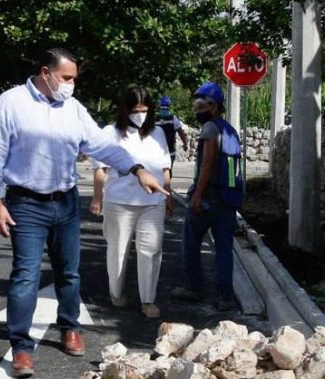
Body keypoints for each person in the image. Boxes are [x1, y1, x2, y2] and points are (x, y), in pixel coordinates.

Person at [0, 48, 168, 379]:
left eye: (74, 79)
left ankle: (70, 327)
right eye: (67, 78)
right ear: (46, 73)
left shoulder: (74, 109)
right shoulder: (10, 105)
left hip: (65, 202)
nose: (71, 85)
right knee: (25, 275)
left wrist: (137, 169)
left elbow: (101, 146)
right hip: (26, 203)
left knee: (69, 271)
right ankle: (21, 348)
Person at [89, 86, 173, 320]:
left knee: (151, 251)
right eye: (136, 110)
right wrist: (97, 198)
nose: (140, 114)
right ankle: (116, 293)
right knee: (118, 250)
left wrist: (168, 195)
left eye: (145, 110)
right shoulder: (110, 133)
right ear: (125, 110)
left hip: (153, 201)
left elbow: (165, 168)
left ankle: (148, 300)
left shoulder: (157, 133)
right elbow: (100, 170)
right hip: (119, 202)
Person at [174, 81, 244, 312]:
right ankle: (225, 296)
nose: (197, 110)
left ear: (214, 107)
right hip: (227, 200)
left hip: (207, 200)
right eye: (197, 105)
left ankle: (193, 288)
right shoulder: (230, 130)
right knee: (224, 249)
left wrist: (197, 196)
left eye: (202, 105)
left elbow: (207, 164)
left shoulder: (210, 129)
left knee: (191, 242)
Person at [155, 96, 184, 174]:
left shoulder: (155, 118)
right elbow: (180, 131)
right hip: (170, 150)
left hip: (157, 151)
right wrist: (185, 143)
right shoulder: (173, 118)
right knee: (168, 171)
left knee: (158, 172)